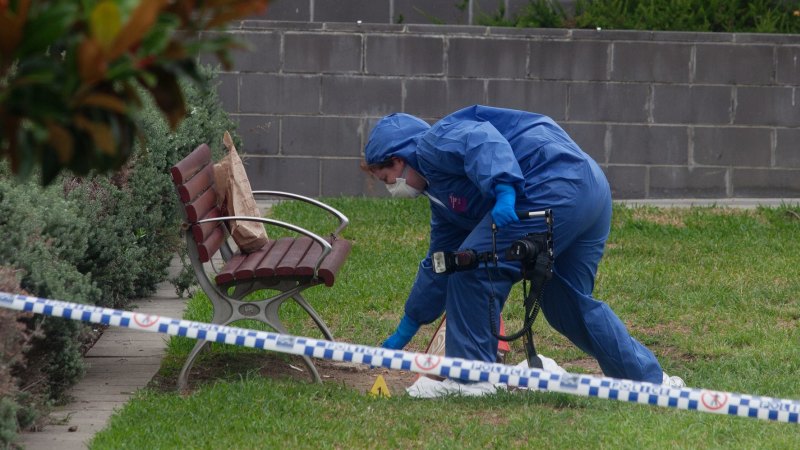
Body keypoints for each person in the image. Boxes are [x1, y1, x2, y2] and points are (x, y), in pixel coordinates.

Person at [361, 105, 684, 390]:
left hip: (554, 183)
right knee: (565, 302)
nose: (391, 189)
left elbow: (482, 141)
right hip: (589, 190)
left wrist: (504, 190)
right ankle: (650, 382)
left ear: (400, 159)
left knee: (471, 270)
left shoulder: (433, 144)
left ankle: (471, 382)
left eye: (388, 178)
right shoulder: (444, 203)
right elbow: (440, 263)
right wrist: (407, 326)